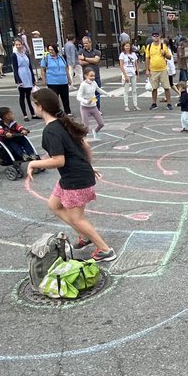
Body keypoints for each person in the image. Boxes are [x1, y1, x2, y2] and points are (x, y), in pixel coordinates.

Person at [26, 88, 117, 263]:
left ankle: (105, 250)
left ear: (40, 106)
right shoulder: (63, 122)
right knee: (54, 204)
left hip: (75, 179)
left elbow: (59, 160)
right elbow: (85, 147)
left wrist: (33, 163)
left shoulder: (51, 130)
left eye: (34, 104)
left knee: (77, 218)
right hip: (75, 175)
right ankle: (84, 236)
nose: (33, 107)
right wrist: (88, 166)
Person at [76, 67, 115, 138]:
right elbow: (78, 96)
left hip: (93, 107)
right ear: (86, 76)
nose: (93, 77)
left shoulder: (94, 83)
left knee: (101, 124)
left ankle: (95, 131)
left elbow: (98, 89)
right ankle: (82, 140)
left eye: (94, 76)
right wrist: (86, 101)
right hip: (84, 108)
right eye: (91, 76)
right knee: (86, 127)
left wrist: (109, 94)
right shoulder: (83, 85)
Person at [9, 39, 37, 121]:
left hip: (27, 74)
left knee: (29, 96)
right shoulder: (14, 55)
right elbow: (15, 68)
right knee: (22, 95)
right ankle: (25, 115)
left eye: (19, 44)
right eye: (16, 45)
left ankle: (33, 113)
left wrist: (33, 78)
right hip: (21, 74)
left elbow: (30, 67)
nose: (18, 46)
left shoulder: (26, 54)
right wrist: (18, 79)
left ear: (22, 44)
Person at [39, 43, 71, 115]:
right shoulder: (46, 58)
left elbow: (66, 68)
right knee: (54, 98)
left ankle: (68, 111)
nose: (51, 51)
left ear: (55, 50)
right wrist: (44, 79)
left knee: (65, 98)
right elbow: (43, 69)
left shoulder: (61, 57)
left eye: (52, 50)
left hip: (63, 81)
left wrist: (69, 79)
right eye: (49, 50)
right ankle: (56, 112)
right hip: (52, 82)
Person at [145, 32, 173, 110]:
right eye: (154, 36)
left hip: (163, 69)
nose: (156, 37)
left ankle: (169, 103)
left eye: (157, 36)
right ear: (152, 37)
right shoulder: (149, 47)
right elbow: (147, 58)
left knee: (166, 87)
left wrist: (164, 54)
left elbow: (169, 57)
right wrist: (147, 69)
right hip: (153, 70)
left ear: (159, 37)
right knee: (154, 88)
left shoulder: (163, 46)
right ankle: (154, 103)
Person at [78, 36, 103, 109]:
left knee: (96, 94)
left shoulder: (97, 52)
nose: (85, 45)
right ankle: (88, 108)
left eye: (86, 43)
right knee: (86, 93)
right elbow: (81, 62)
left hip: (96, 76)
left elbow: (96, 61)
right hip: (86, 77)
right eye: (84, 43)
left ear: (90, 43)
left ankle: (96, 108)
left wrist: (85, 58)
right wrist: (91, 61)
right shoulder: (81, 52)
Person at [117, 41, 140, 111]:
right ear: (123, 47)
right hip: (126, 73)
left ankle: (135, 105)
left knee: (134, 90)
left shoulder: (133, 54)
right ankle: (126, 105)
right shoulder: (122, 55)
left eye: (128, 46)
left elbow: (136, 64)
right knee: (126, 90)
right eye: (126, 46)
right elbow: (121, 65)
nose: (127, 47)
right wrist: (125, 75)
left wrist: (137, 73)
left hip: (133, 73)